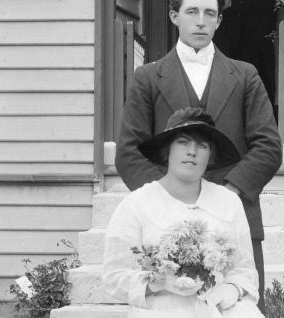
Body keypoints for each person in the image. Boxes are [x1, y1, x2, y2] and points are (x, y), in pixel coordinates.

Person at [115, 0, 282, 311]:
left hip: (232, 216)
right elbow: (128, 152)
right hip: (165, 227)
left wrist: (226, 196)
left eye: (210, 13)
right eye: (192, 11)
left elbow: (268, 146)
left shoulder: (245, 75)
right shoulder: (148, 77)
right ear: (174, 16)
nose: (201, 21)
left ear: (219, 20)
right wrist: (167, 200)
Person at [104, 107, 264, 318]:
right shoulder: (137, 205)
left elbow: (245, 270)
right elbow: (114, 276)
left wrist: (232, 290)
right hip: (161, 309)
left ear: (210, 155)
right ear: (167, 150)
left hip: (217, 308)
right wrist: (158, 283)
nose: (192, 151)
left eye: (202, 145)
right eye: (183, 142)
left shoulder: (229, 202)